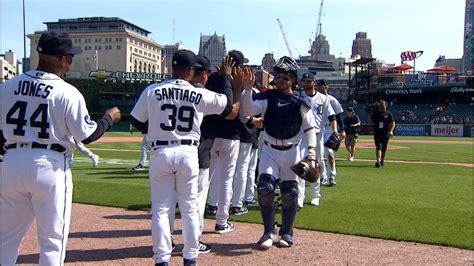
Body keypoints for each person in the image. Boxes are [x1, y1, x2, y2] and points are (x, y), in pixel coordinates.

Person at [0, 31, 121, 265]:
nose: (71, 61)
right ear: (62, 59)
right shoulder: (67, 92)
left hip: (12, 161)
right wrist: (108, 118)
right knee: (52, 242)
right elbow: (87, 134)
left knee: (5, 238)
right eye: (70, 56)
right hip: (49, 165)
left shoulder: (8, 86)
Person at [130, 49, 235, 266]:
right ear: (190, 70)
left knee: (161, 208)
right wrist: (225, 77)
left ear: (171, 67)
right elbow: (227, 104)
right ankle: (190, 257)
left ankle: (161, 259)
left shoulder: (152, 90)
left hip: (161, 152)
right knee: (189, 208)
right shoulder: (198, 93)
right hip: (188, 153)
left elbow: (137, 121)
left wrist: (157, 128)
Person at [240, 56, 317, 250]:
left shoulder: (301, 100)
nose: (280, 80)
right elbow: (248, 110)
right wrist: (248, 89)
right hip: (269, 150)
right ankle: (268, 231)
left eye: (285, 77)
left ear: (292, 79)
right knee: (265, 188)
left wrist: (312, 153)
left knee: (290, 193)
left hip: (292, 151)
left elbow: (310, 128)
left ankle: (287, 232)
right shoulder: (268, 97)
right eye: (278, 76)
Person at [205, 50, 246, 233]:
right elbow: (237, 113)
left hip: (212, 134)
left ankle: (200, 219)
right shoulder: (242, 82)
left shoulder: (213, 78)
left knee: (205, 179)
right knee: (226, 179)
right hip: (231, 136)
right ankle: (222, 221)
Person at [298, 73, 338, 207]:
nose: (307, 84)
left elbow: (332, 116)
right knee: (301, 164)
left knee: (315, 164)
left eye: (309, 81)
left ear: (314, 83)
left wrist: (335, 131)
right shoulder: (298, 97)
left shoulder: (323, 98)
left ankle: (316, 195)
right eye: (305, 81)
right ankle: (300, 196)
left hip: (317, 135)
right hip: (301, 135)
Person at [317, 79, 345, 186]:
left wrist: (341, 130)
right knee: (319, 155)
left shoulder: (332, 100)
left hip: (329, 128)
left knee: (329, 152)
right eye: (318, 86)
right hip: (319, 128)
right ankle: (323, 176)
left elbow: (338, 115)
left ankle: (332, 176)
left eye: (322, 85)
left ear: (327, 87)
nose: (320, 87)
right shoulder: (315, 99)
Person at [368, 100, 395, 167]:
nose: (382, 106)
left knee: (384, 148)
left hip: (386, 133)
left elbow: (393, 123)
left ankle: (382, 160)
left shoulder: (388, 114)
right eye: (381, 105)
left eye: (383, 105)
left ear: (386, 106)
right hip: (377, 133)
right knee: (378, 147)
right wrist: (369, 114)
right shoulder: (376, 113)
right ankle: (378, 161)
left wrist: (391, 131)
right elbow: (370, 122)